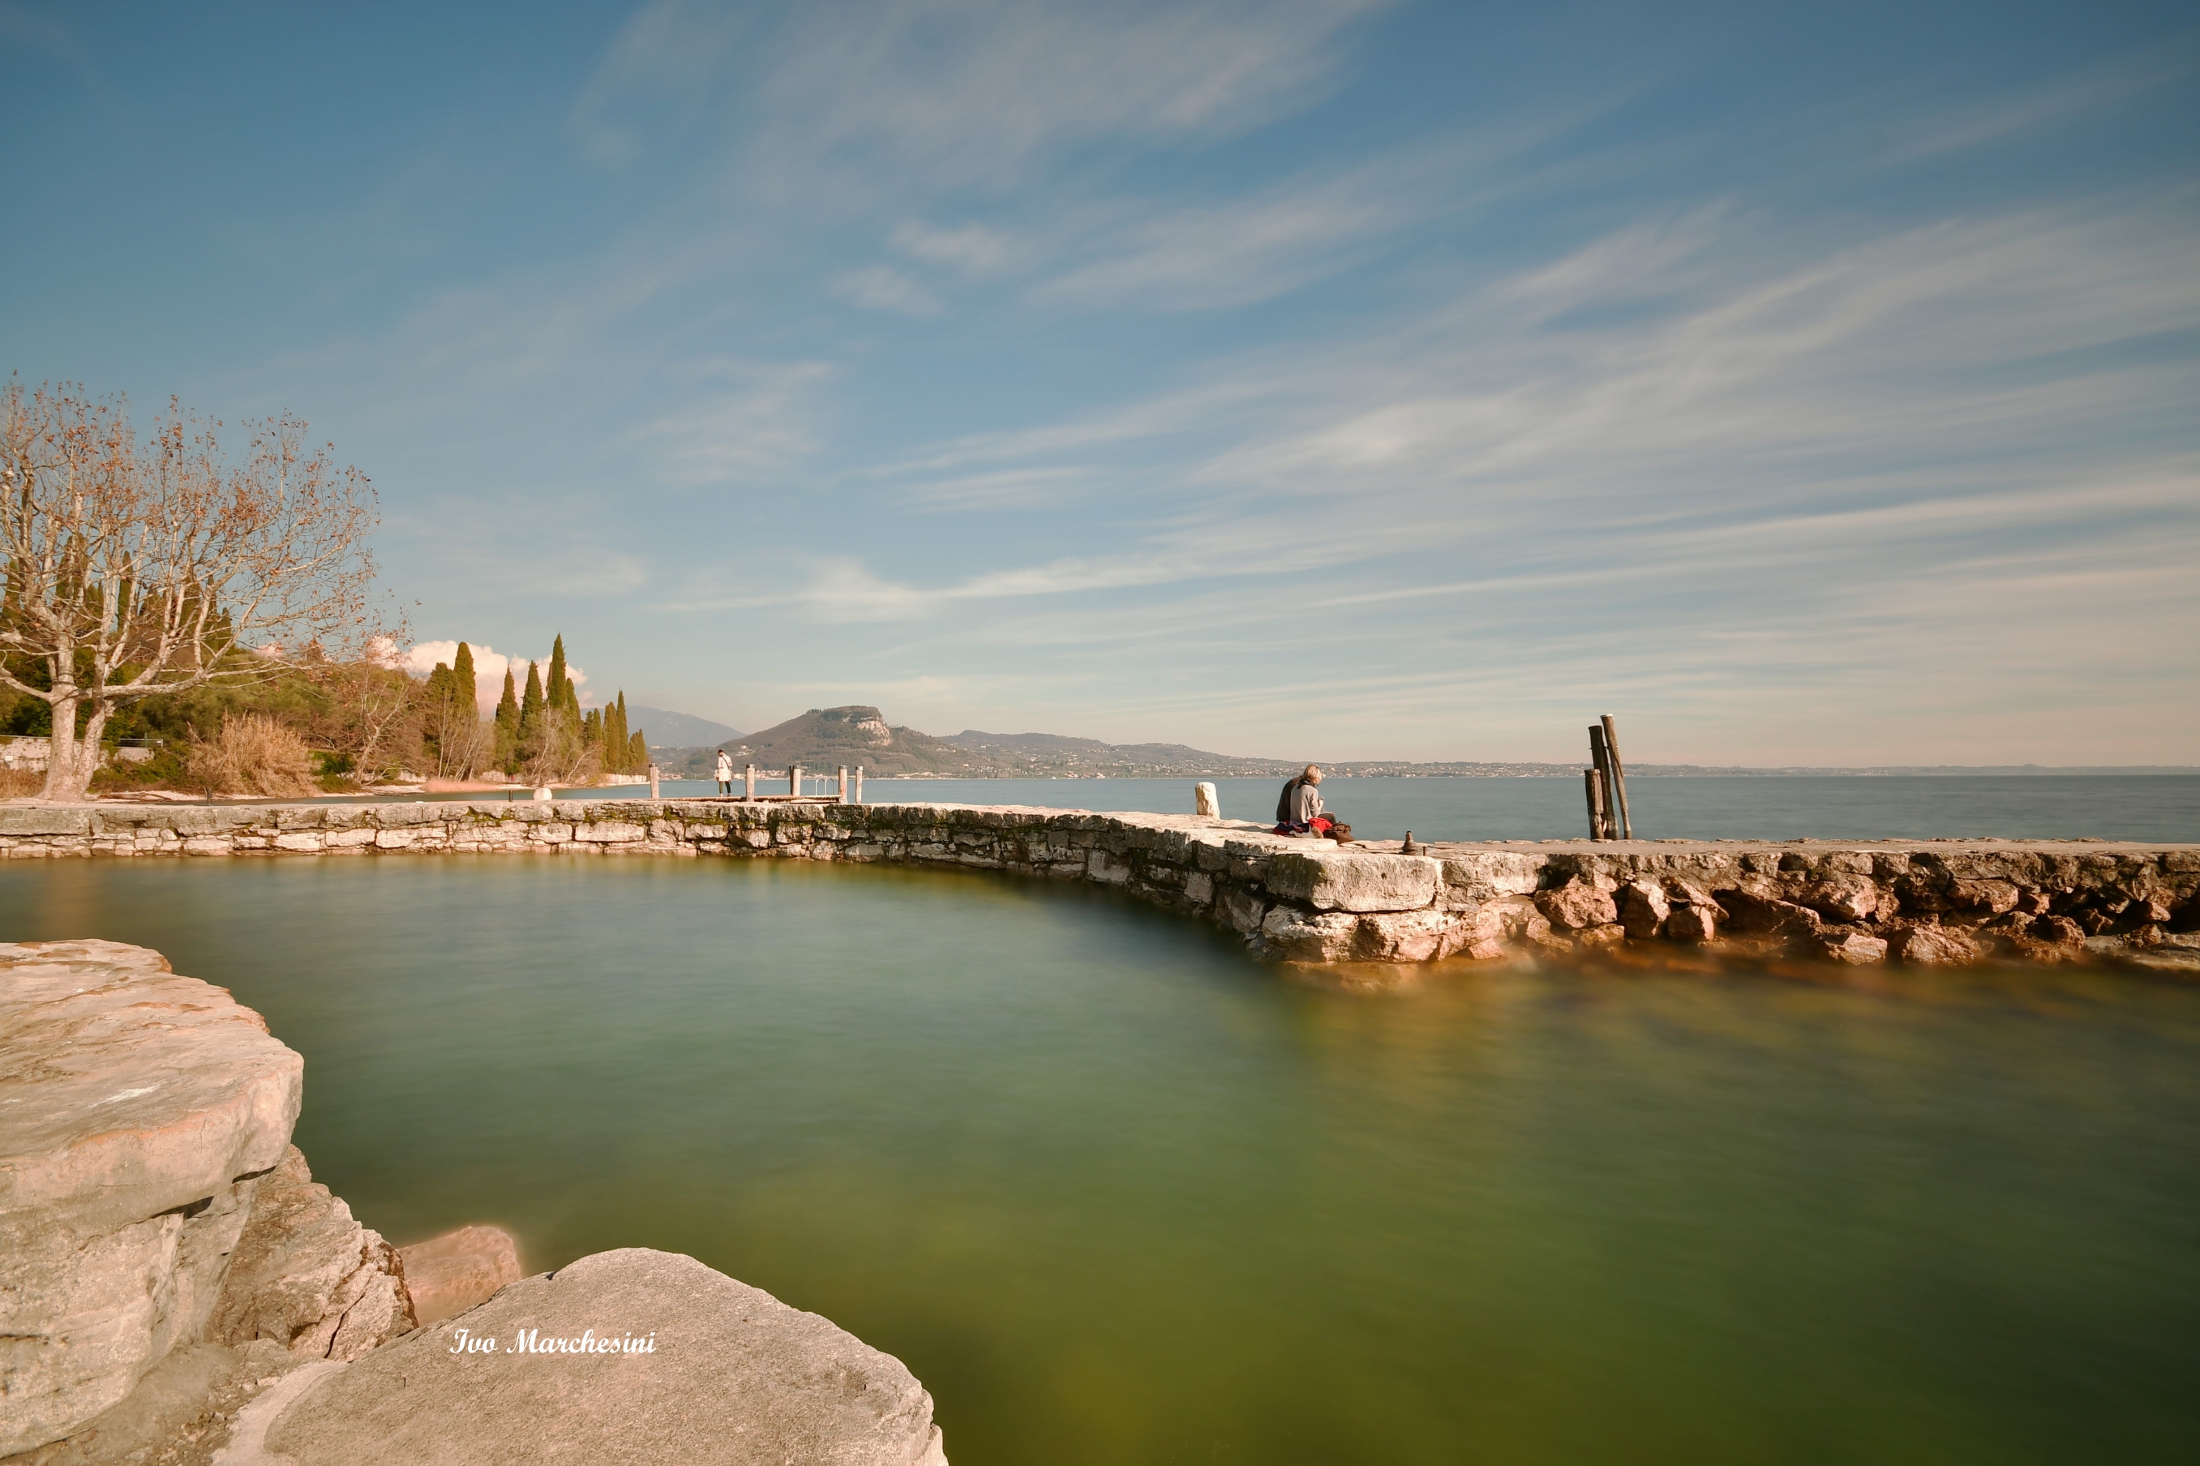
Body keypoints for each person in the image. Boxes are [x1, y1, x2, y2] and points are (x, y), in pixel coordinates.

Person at [1274, 765, 1340, 838]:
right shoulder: (1313, 791)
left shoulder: (1295, 788)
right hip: (1306, 823)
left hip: (1293, 822)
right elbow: (1315, 814)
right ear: (1316, 777)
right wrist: (1320, 805)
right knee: (1331, 816)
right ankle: (1336, 837)